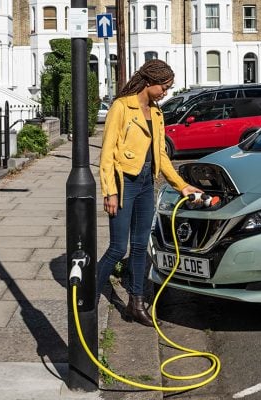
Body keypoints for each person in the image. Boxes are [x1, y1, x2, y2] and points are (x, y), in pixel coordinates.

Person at [98, 59, 202, 326]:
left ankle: (137, 302)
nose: (165, 92)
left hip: (146, 183)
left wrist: (182, 186)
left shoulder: (156, 113)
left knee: (140, 246)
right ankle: (87, 294)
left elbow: (162, 157)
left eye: (168, 87)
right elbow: (108, 152)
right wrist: (109, 191)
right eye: (164, 87)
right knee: (117, 247)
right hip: (125, 183)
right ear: (149, 82)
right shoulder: (122, 107)